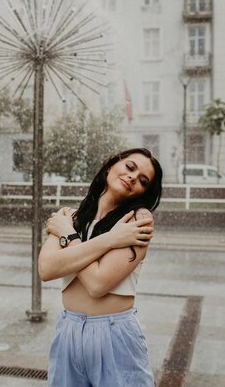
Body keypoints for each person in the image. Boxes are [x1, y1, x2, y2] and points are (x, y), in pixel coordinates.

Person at [38, 147, 163, 387]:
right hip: (68, 330)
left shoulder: (137, 220)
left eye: (143, 181)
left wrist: (68, 237)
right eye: (130, 167)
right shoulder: (70, 217)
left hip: (114, 333)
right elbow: (46, 269)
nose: (133, 178)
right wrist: (111, 239)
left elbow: (97, 284)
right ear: (110, 165)